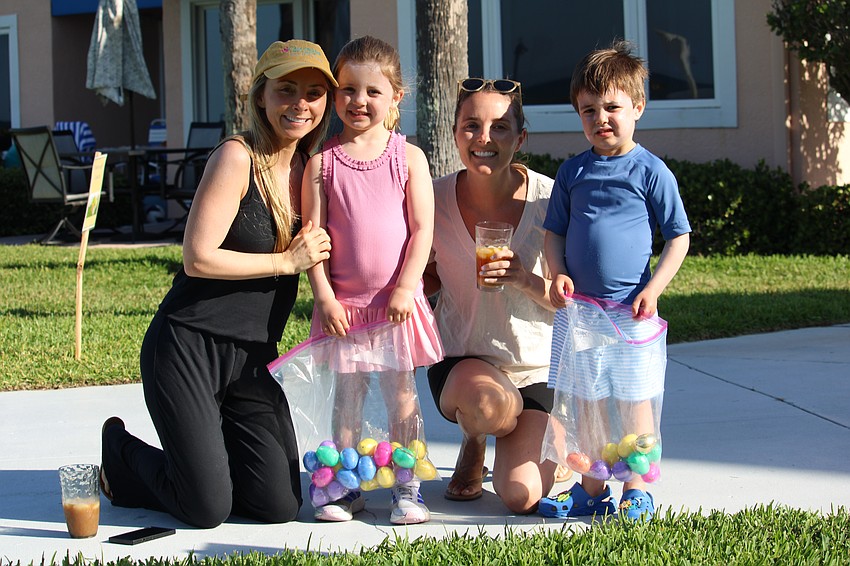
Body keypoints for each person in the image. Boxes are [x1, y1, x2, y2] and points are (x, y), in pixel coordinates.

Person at [99, 39, 337, 528]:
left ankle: (208, 463)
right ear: (261, 96)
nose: (301, 103)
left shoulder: (313, 170)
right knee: (206, 509)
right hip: (188, 345)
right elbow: (197, 258)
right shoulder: (237, 156)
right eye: (286, 89)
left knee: (276, 506)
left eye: (314, 93)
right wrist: (285, 262)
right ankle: (120, 452)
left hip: (252, 358)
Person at [540, 41, 691, 522]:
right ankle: (591, 488)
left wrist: (654, 288)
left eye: (612, 107)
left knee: (634, 403)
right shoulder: (573, 172)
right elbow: (553, 234)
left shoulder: (650, 170)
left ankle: (636, 489)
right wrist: (558, 271)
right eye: (588, 110)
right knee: (587, 404)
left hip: (631, 314)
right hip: (582, 312)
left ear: (637, 107)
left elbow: (679, 238)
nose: (601, 118)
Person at [301, 35, 443, 525]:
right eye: (348, 90)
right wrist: (325, 298)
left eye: (372, 92)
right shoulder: (322, 164)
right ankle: (343, 484)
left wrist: (407, 286)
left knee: (401, 395)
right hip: (346, 308)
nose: (359, 101)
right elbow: (312, 236)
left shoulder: (409, 157)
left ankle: (408, 487)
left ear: (396, 97)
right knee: (349, 397)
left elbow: (423, 228)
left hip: (394, 305)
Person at [424, 77, 559, 514]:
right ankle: (475, 437)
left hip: (534, 366)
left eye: (500, 127)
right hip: (464, 361)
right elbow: (422, 275)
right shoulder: (431, 198)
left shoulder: (551, 200)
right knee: (486, 405)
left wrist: (524, 279)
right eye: (471, 126)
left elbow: (568, 300)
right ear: (455, 133)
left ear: (520, 138)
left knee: (519, 496)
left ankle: (546, 439)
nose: (484, 139)